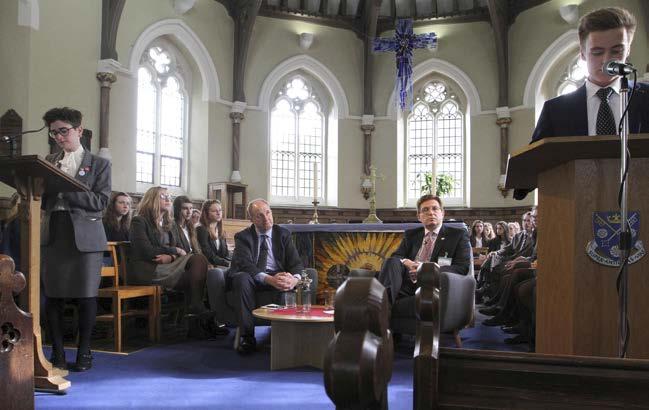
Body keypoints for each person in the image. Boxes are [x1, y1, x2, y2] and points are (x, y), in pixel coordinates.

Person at [516, 7, 649, 199]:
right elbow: (531, 171)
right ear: (583, 54)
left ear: (628, 50)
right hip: (578, 206)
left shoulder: (645, 98)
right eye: (597, 52)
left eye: (616, 50)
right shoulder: (556, 111)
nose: (606, 60)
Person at [41, 107, 111, 372]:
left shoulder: (99, 164)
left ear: (79, 130)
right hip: (54, 233)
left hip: (86, 238)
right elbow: (42, 199)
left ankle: (84, 352)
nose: (59, 137)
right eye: (54, 133)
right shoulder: (48, 161)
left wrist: (65, 188)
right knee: (54, 297)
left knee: (86, 297)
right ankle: (57, 353)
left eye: (63, 131)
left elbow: (101, 201)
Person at [128, 187, 213, 337]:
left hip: (168, 266)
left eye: (169, 196)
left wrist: (171, 256)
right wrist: (174, 251)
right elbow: (146, 251)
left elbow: (177, 250)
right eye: (163, 196)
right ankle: (197, 317)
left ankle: (197, 317)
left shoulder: (168, 223)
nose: (168, 199)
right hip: (148, 270)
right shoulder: (139, 221)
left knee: (199, 266)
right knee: (196, 270)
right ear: (152, 200)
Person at [229, 198, 304, 354]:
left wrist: (294, 280)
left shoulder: (283, 234)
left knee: (288, 280)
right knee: (241, 278)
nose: (266, 218)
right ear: (251, 219)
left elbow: (296, 263)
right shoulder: (243, 237)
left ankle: (283, 335)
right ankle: (247, 337)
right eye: (259, 215)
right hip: (253, 277)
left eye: (268, 213)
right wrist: (269, 279)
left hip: (278, 275)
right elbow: (245, 264)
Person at [377, 194, 471, 306]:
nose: (431, 213)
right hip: (405, 281)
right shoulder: (411, 235)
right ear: (419, 216)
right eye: (425, 210)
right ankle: (384, 305)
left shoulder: (457, 235)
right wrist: (407, 262)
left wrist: (426, 269)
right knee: (391, 261)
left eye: (435, 208)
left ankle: (382, 307)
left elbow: (462, 267)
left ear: (442, 213)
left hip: (432, 283)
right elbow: (396, 256)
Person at [196, 200, 231, 333]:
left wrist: (233, 261)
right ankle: (215, 319)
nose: (218, 213)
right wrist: (228, 263)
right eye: (214, 211)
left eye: (220, 210)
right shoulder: (201, 230)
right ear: (206, 213)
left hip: (219, 265)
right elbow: (208, 254)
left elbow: (225, 254)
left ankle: (227, 315)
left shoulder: (220, 231)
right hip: (208, 266)